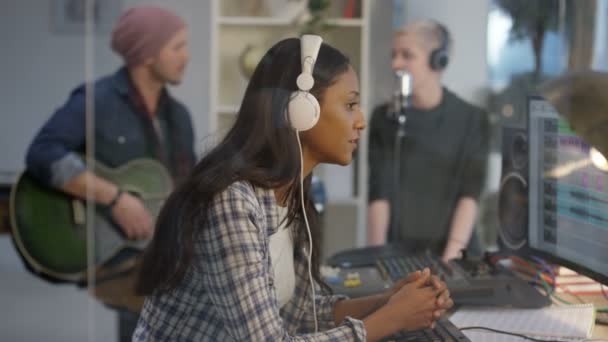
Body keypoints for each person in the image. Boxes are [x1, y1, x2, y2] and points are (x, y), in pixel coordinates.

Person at [133, 36, 453, 341]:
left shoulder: (289, 194)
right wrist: (393, 318)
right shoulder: (231, 201)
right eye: (349, 105)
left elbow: (306, 314)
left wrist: (389, 301)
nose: (360, 121)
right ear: (301, 110)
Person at [25, 5, 195, 340]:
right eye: (177, 47)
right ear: (146, 54)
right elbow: (42, 153)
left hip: (163, 255)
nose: (186, 56)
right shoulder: (97, 100)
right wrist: (116, 199)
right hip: (115, 256)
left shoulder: (179, 117)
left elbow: (186, 193)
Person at [367, 19, 489, 262]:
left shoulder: (473, 119)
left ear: (437, 60)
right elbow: (379, 194)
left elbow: (470, 195)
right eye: (394, 55)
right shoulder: (384, 118)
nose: (395, 64)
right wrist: (375, 259)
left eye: (407, 55)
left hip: (456, 256)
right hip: (399, 257)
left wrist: (450, 262)